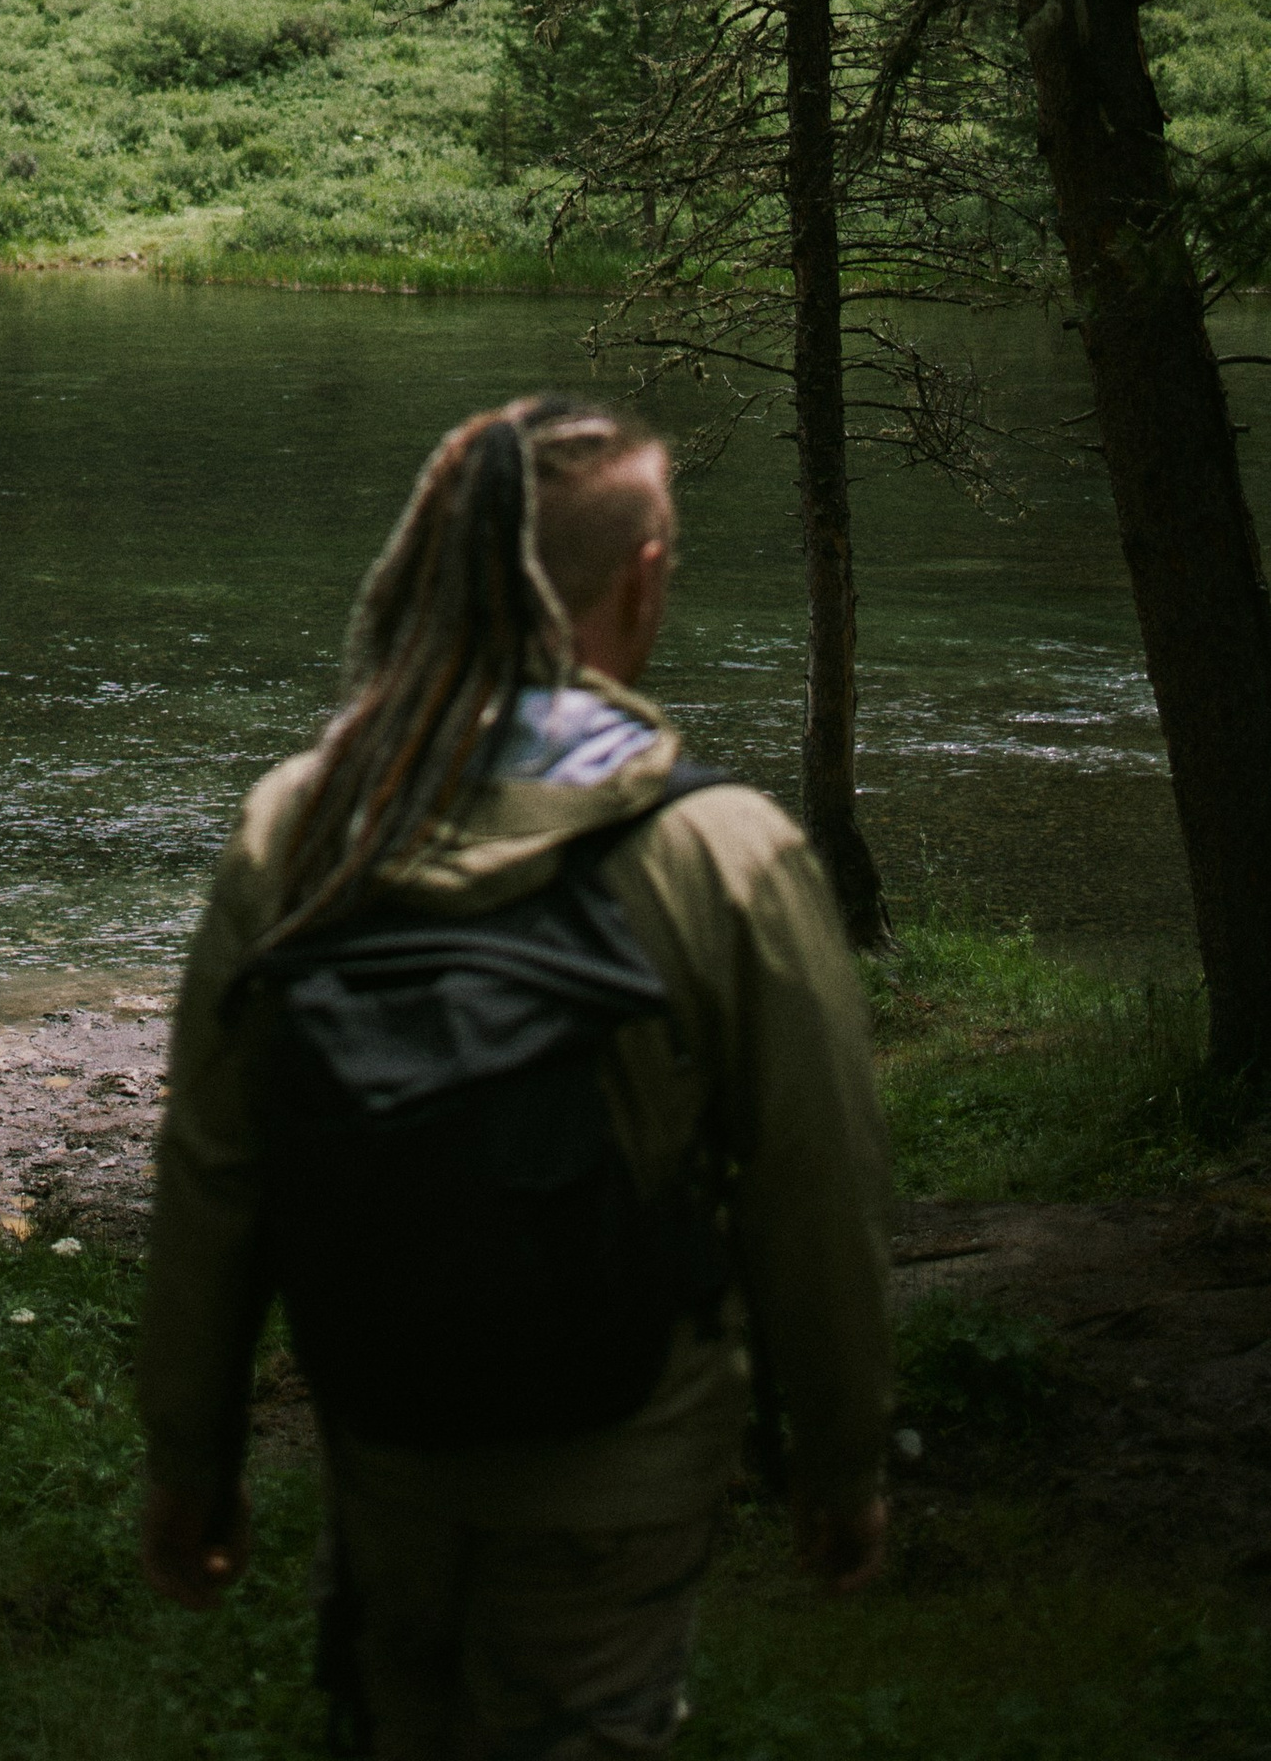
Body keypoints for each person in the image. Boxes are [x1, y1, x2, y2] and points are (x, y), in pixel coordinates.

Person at [134, 392, 892, 1759]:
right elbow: (814, 1181)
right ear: (645, 580)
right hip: (626, 1454)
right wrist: (838, 1460)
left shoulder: (302, 824)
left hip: (387, 1435)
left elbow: (215, 1166)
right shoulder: (723, 851)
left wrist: (191, 1456)